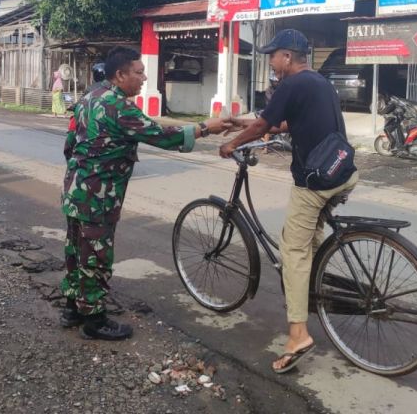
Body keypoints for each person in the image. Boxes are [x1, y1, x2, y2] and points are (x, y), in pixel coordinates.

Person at [59, 46, 233, 340]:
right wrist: (206, 127)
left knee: (76, 251)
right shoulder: (119, 107)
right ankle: (95, 320)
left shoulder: (91, 96)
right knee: (96, 257)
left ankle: (73, 308)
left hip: (76, 189)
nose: (143, 78)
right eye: (139, 73)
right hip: (98, 195)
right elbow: (162, 135)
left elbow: (69, 142)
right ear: (120, 75)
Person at [218, 29, 358, 374]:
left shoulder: (292, 84)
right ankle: (312, 286)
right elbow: (281, 124)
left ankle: (298, 334)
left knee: (292, 252)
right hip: (342, 172)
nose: (271, 63)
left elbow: (265, 124)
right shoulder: (318, 82)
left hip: (315, 181)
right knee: (307, 244)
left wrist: (232, 143)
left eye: (273, 56)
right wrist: (241, 122)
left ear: (287, 57)